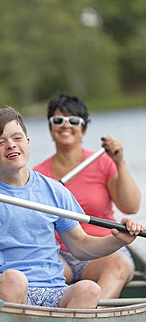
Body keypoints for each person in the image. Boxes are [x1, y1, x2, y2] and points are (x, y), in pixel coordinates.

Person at [0, 106, 144, 309]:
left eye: (17, 138)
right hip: (4, 288)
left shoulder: (54, 190)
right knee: (14, 279)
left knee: (89, 289)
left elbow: (81, 247)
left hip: (54, 291)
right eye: (0, 142)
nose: (11, 145)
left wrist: (118, 240)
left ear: (27, 142)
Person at [33, 93, 141, 300]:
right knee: (32, 272)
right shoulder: (38, 176)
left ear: (83, 130)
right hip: (59, 254)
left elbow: (131, 206)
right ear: (50, 128)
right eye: (58, 121)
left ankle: (94, 317)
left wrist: (119, 161)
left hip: (103, 251)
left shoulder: (103, 162)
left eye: (73, 121)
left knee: (118, 265)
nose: (65, 126)